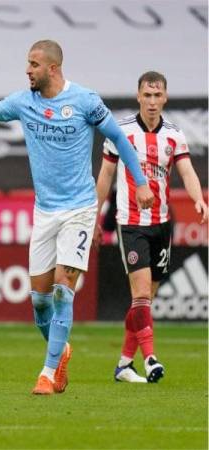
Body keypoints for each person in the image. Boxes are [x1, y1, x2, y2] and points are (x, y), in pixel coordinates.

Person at [0, 40, 155, 395]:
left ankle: (47, 372)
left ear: (52, 68)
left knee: (61, 291)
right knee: (39, 302)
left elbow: (119, 137)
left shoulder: (85, 101)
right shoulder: (24, 103)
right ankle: (61, 349)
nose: (27, 70)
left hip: (79, 209)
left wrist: (142, 182)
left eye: (33, 64)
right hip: (45, 211)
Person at [94, 71, 208, 383]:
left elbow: (187, 172)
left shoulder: (174, 135)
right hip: (130, 223)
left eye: (158, 96)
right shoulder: (121, 132)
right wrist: (94, 217)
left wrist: (199, 200)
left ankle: (124, 364)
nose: (153, 102)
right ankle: (150, 359)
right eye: (148, 95)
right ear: (138, 96)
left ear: (166, 98)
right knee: (142, 294)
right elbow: (105, 176)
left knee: (143, 301)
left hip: (161, 224)